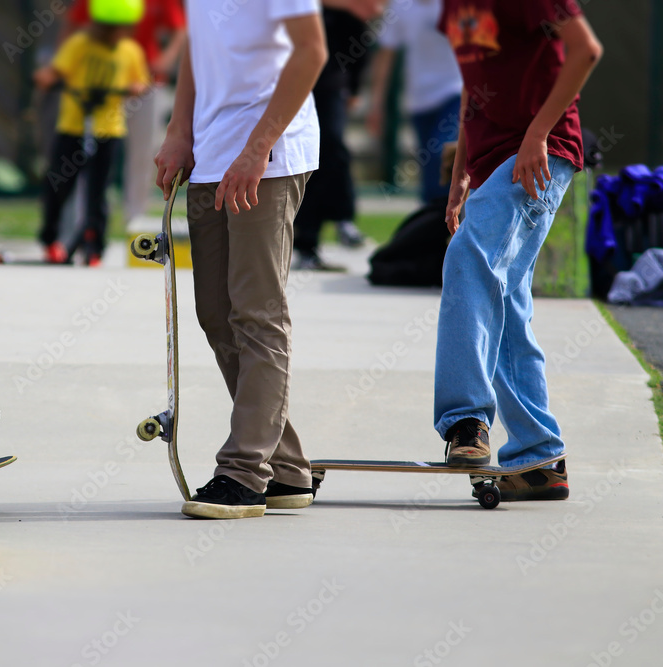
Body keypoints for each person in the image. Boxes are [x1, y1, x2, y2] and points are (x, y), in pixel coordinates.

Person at [155, 0, 381, 519]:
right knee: (215, 312)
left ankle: (243, 471)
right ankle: (286, 469)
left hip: (269, 158)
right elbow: (199, 48)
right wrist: (179, 129)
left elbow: (311, 51)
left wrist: (258, 148)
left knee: (257, 312)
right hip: (210, 153)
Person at [434, 0, 602, 500]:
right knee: (505, 299)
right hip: (493, 163)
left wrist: (539, 132)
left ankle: (466, 420)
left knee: (468, 258)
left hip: (539, 156)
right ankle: (538, 456)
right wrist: (462, 170)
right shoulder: (456, 7)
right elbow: (475, 84)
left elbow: (584, 52)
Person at [35, 0, 150, 266]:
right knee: (58, 184)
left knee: (99, 191)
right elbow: (55, 71)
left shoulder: (129, 51)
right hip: (74, 127)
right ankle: (51, 239)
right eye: (104, 28)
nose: (109, 34)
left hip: (109, 131)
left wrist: (135, 87)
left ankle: (94, 245)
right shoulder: (80, 45)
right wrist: (48, 78)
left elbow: (141, 80)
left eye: (115, 29)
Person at [62, 0, 186, 224]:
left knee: (143, 153)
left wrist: (166, 60)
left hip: (145, 83)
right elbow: (74, 24)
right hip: (102, 85)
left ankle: (135, 218)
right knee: (86, 153)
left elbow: (179, 28)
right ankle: (83, 221)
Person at [292, 6, 372, 271]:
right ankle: (307, 242)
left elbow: (362, 41)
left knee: (332, 148)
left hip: (330, 89)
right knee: (304, 162)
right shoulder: (294, 12)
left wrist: (355, 87)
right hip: (295, 90)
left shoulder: (341, 17)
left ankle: (342, 218)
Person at [367, 0, 463, 204]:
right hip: (418, 99)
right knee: (428, 166)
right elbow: (386, 55)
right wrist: (377, 105)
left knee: (442, 152)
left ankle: (453, 213)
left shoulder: (455, 5)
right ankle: (434, 223)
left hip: (454, 91)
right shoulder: (400, 7)